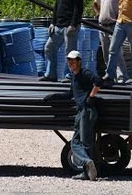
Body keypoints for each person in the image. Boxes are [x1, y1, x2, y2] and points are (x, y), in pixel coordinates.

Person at [43, 50, 101, 181]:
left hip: (87, 111)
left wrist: (91, 97)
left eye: (73, 61)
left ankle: (86, 163)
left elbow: (98, 81)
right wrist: (54, 96)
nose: (70, 63)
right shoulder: (74, 76)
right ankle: (87, 171)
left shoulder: (84, 72)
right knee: (79, 142)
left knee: (81, 143)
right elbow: (70, 94)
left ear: (79, 61)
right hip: (81, 112)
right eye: (69, 61)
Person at [39, 0, 84, 83]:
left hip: (69, 27)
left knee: (70, 53)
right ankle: (51, 74)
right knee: (49, 48)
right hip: (58, 26)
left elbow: (78, 9)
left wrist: (73, 25)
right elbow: (56, 8)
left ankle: (70, 75)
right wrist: (52, 23)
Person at [92, 0, 128, 82]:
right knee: (106, 54)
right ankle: (110, 76)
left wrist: (119, 17)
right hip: (102, 26)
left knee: (116, 53)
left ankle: (122, 76)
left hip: (114, 26)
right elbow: (95, 3)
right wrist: (98, 14)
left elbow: (123, 6)